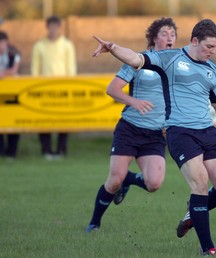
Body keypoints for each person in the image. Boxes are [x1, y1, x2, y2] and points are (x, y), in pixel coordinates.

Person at [92, 19, 216, 256]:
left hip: (207, 131)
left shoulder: (212, 69)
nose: (213, 52)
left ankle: (193, 212)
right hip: (179, 131)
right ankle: (209, 250)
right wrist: (113, 48)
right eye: (209, 47)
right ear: (195, 41)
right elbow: (136, 59)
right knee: (200, 183)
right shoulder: (170, 59)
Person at [85, 17, 178, 233]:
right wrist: (134, 101)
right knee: (114, 180)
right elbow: (112, 89)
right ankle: (94, 222)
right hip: (130, 129)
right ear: (154, 38)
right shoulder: (138, 61)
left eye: (173, 34)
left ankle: (129, 179)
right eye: (165, 33)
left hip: (155, 134)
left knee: (154, 183)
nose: (170, 37)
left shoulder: (176, 65)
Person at [31, 15, 77, 159]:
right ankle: (46, 150)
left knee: (63, 120)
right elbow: (35, 69)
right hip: (44, 89)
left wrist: (69, 86)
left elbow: (71, 68)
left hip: (63, 90)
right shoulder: (39, 46)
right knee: (43, 120)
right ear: (47, 27)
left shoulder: (67, 45)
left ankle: (61, 150)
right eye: (50, 27)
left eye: (55, 27)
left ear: (59, 28)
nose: (53, 30)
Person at [0, 31, 21, 160]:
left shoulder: (14, 52)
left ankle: (11, 153)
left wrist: (3, 74)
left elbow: (14, 70)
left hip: (13, 91)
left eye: (2, 43)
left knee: (14, 121)